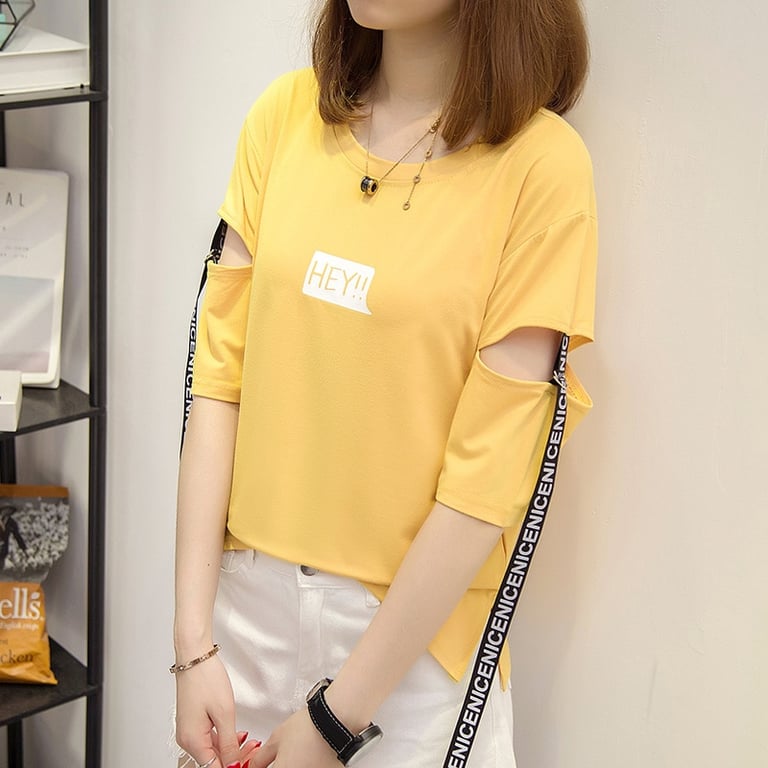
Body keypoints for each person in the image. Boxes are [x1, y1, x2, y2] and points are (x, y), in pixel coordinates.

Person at [172, 1, 597, 766]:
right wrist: (192, 645)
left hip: (411, 657)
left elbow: (487, 480)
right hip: (243, 629)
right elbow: (217, 382)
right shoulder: (283, 116)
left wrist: (337, 720)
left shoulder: (541, 166)